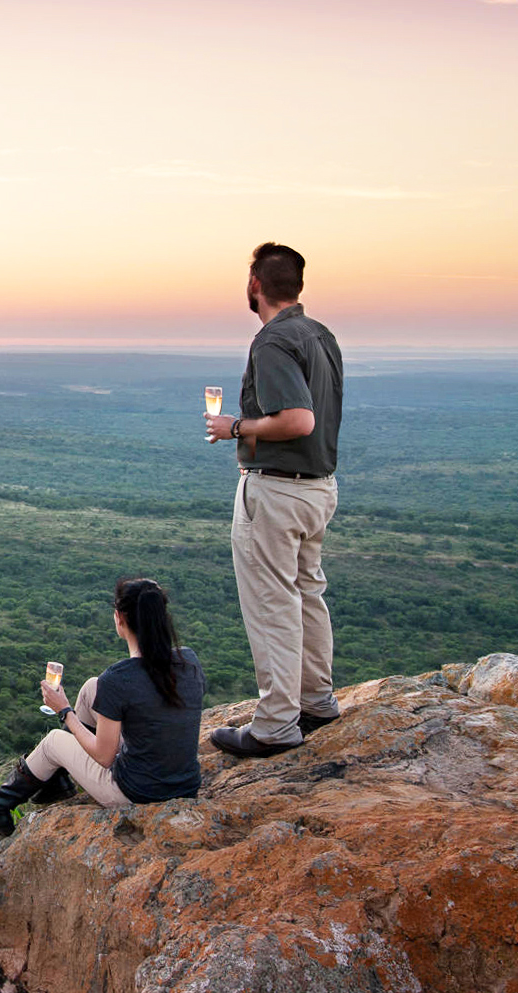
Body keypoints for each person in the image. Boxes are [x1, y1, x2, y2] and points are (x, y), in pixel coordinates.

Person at [205, 242, 344, 759]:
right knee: (307, 593)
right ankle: (316, 702)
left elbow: (298, 419)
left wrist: (235, 427)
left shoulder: (272, 341)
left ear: (255, 286)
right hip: (318, 487)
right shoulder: (320, 335)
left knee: (272, 605)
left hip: (277, 489)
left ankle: (275, 725)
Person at [0, 578, 205, 834]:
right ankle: (57, 779)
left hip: (136, 793)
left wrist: (65, 711)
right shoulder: (190, 661)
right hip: (185, 785)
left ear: (119, 618)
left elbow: (105, 757)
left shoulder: (119, 679)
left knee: (53, 742)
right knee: (89, 689)